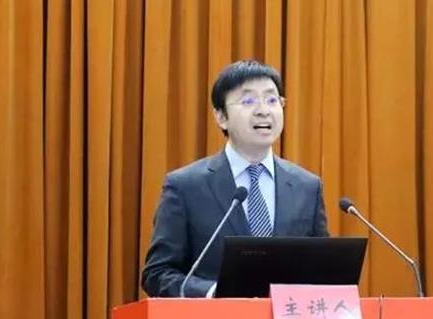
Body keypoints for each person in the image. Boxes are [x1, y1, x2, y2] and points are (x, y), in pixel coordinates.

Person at [141, 60, 329, 298]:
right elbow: (157, 274)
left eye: (272, 100)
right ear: (221, 117)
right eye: (248, 101)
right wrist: (213, 293)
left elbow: (324, 271)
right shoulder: (185, 186)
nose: (263, 110)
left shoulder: (307, 187)